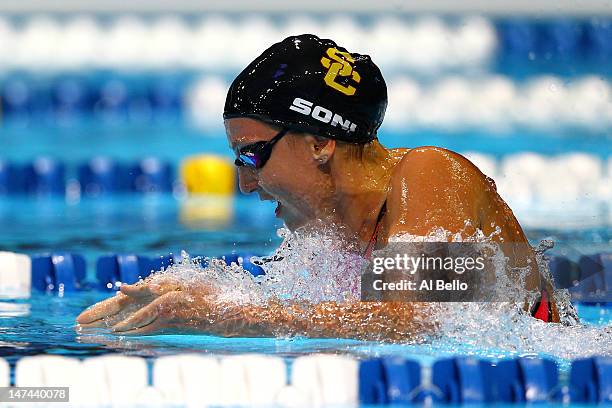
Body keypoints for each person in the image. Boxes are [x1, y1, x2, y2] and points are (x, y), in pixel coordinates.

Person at [76, 35, 558, 339]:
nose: (245, 184)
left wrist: (223, 318)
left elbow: (414, 321)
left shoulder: (428, 174)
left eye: (253, 155)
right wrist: (203, 294)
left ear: (321, 143)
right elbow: (338, 314)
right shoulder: (332, 230)